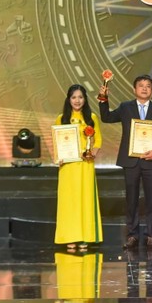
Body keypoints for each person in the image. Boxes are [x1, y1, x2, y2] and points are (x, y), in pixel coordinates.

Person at [99, 74, 152, 249]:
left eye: (148, 86)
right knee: (131, 200)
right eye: (141, 85)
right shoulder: (125, 107)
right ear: (134, 89)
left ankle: (151, 236)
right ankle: (132, 235)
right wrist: (103, 98)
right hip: (131, 161)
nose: (144, 88)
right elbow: (106, 117)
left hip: (150, 161)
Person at [54, 84, 103, 252]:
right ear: (69, 99)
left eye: (80, 97)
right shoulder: (62, 118)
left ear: (85, 99)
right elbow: (57, 141)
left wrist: (92, 153)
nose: (77, 100)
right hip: (68, 166)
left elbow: (98, 140)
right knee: (70, 202)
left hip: (85, 165)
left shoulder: (92, 117)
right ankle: (69, 237)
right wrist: (59, 157)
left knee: (85, 199)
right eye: (74, 97)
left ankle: (85, 237)